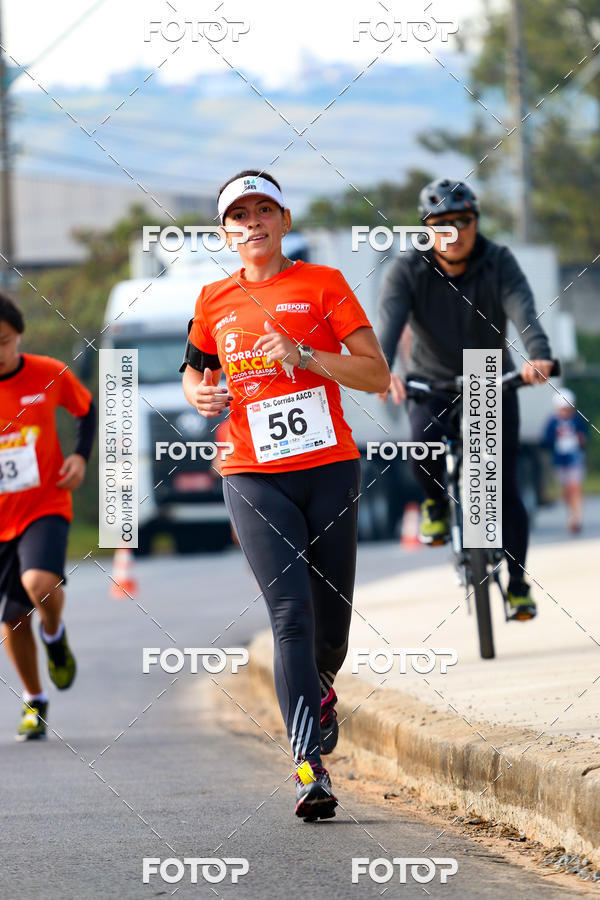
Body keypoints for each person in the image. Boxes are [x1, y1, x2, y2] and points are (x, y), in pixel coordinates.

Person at [181, 170, 390, 820]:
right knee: (290, 616)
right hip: (251, 472)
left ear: (284, 220)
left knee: (331, 629)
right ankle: (308, 768)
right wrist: (201, 395)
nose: (252, 223)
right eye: (239, 216)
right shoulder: (213, 298)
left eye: (263, 210)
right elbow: (194, 371)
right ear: (226, 233)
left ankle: (321, 685)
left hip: (329, 469)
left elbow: (376, 376)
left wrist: (304, 356)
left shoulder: (323, 284)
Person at [377, 177, 554, 621]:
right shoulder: (408, 269)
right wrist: (382, 369)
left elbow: (523, 310)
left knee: (502, 488)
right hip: (430, 378)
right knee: (421, 447)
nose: (453, 232)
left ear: (476, 222)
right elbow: (389, 326)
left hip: (486, 377)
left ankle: (517, 585)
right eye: (441, 224)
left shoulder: (498, 261)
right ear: (426, 229)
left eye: (463, 221)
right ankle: (436, 503)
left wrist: (538, 355)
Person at [0, 295, 95, 740]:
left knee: (38, 583)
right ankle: (35, 699)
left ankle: (54, 637)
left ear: (18, 336)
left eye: (3, 341)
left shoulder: (48, 372)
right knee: (13, 619)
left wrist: (80, 457)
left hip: (44, 505)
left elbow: (86, 409)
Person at [543, 388, 588, 533]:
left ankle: (577, 518)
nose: (565, 412)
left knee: (575, 487)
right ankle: (571, 514)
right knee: (566, 489)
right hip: (560, 459)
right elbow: (546, 439)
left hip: (575, 457)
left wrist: (579, 439)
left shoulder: (577, 420)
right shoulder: (553, 422)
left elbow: (584, 436)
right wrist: (557, 438)